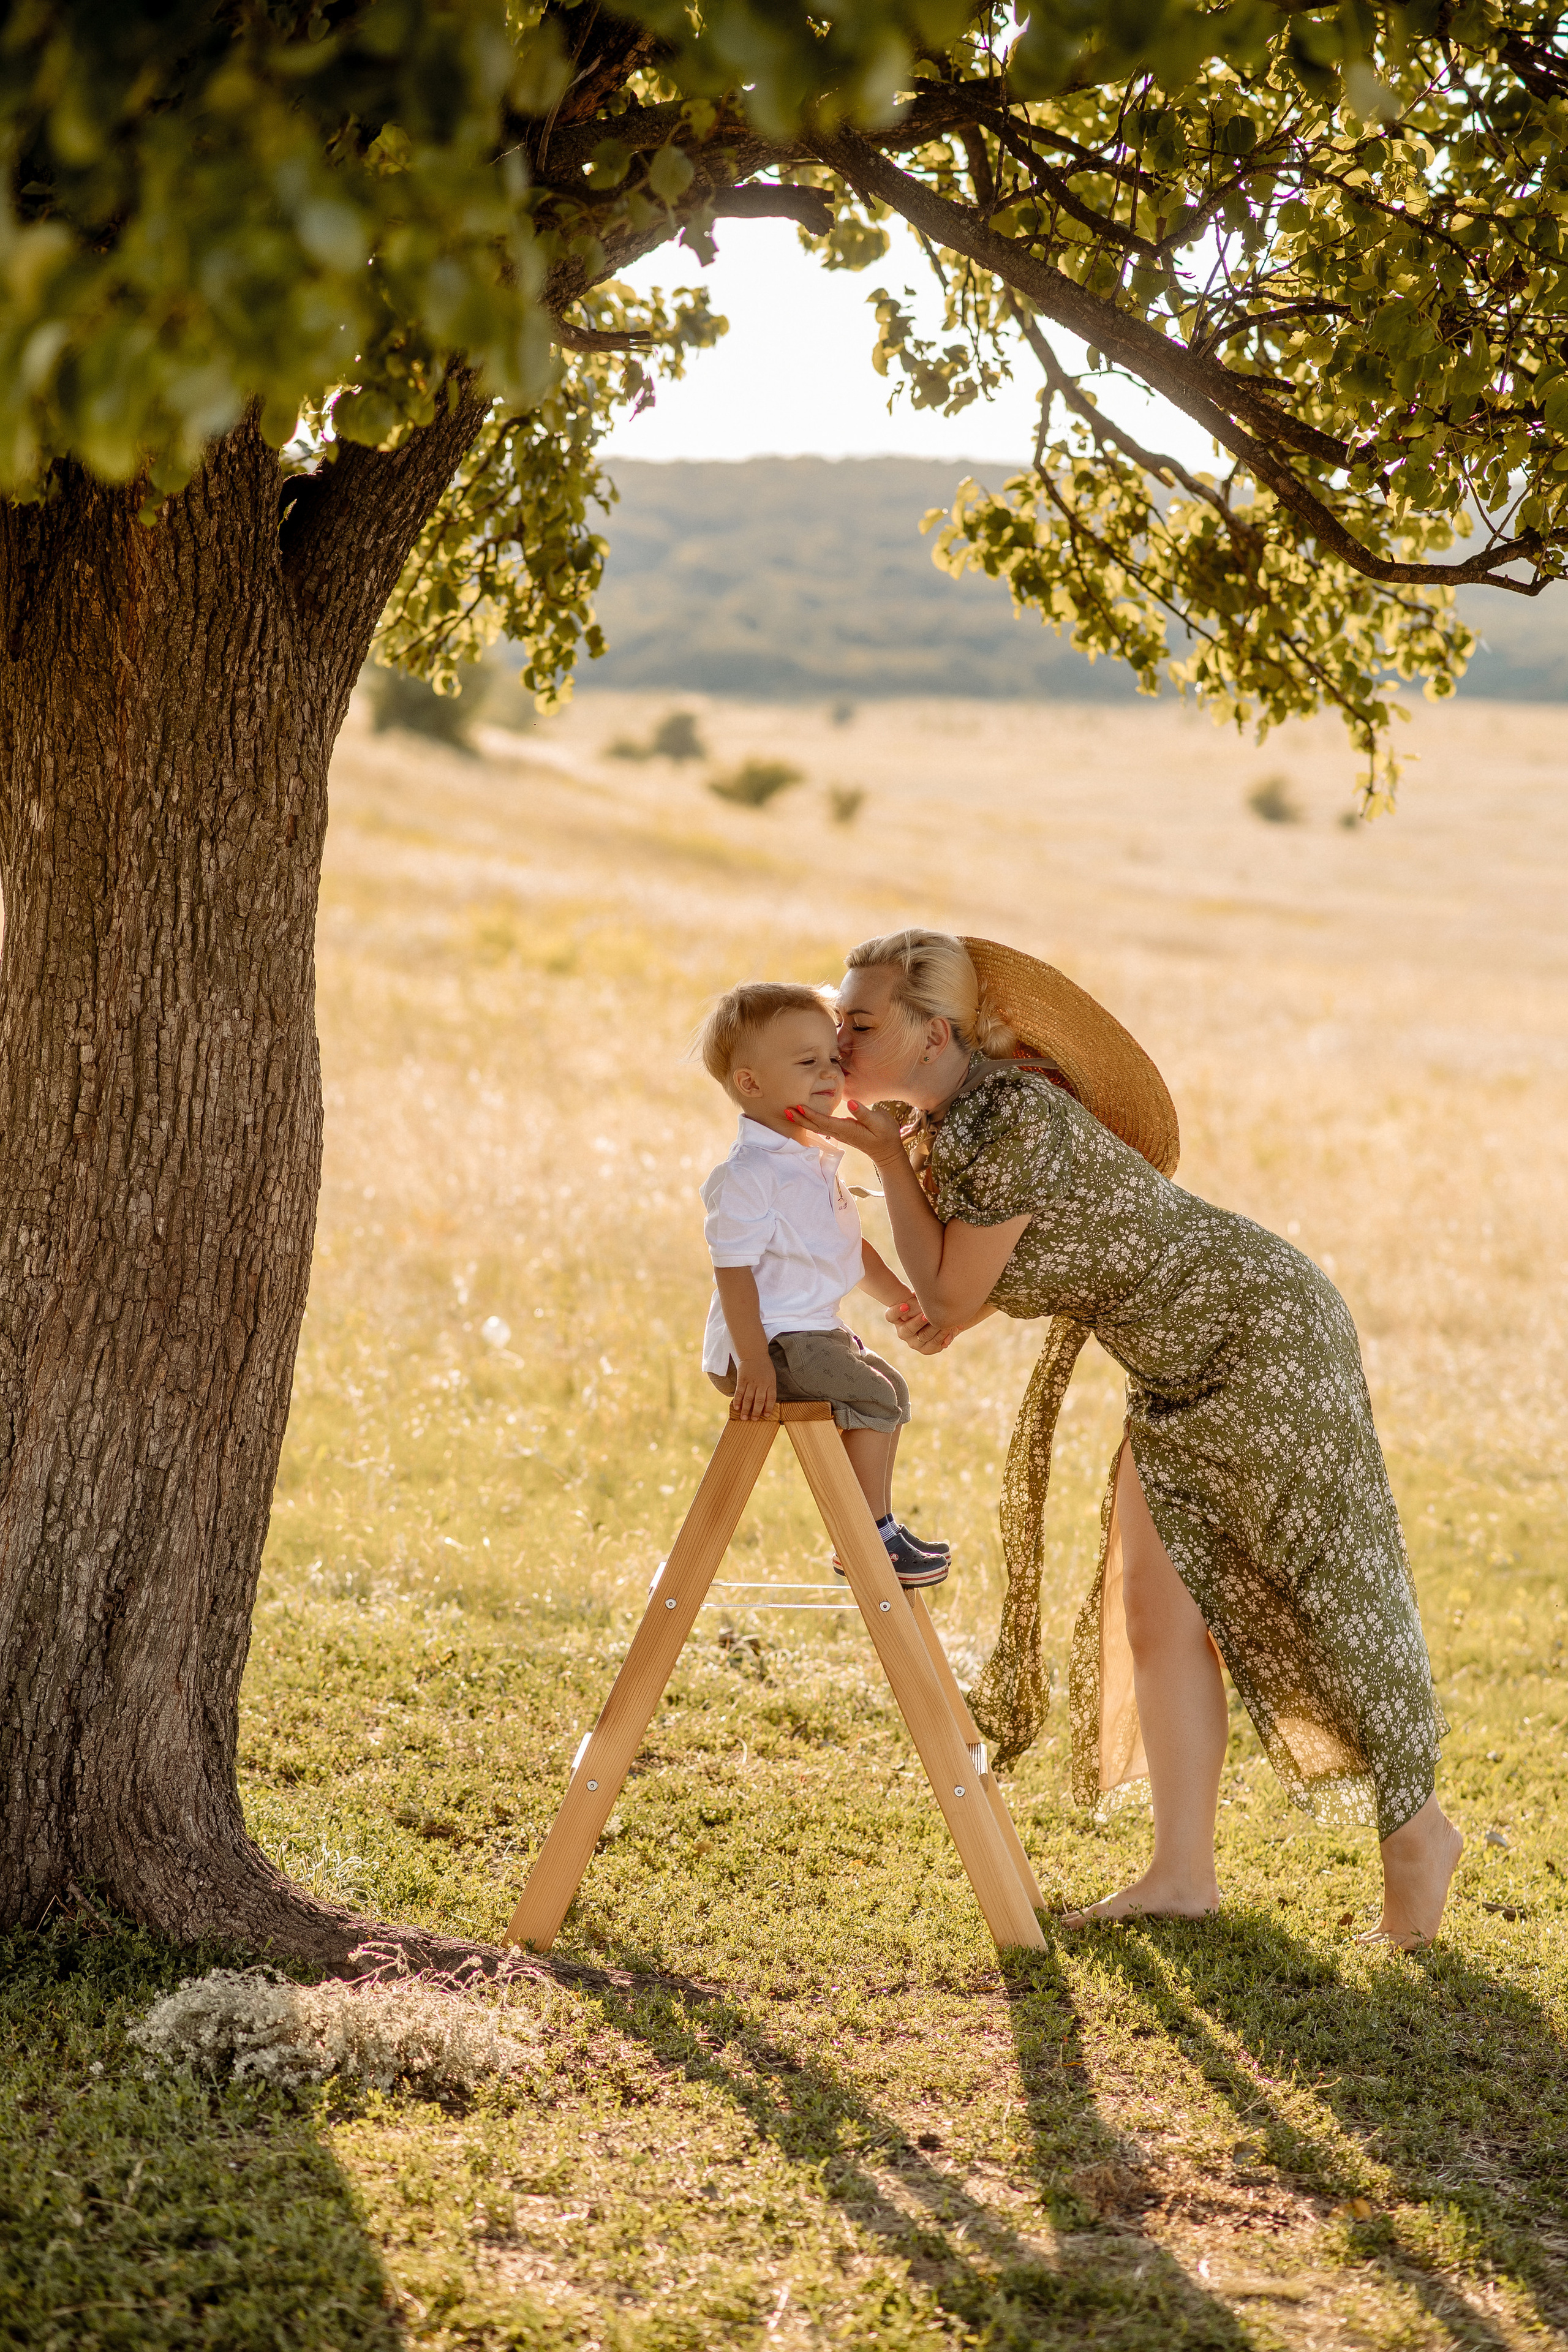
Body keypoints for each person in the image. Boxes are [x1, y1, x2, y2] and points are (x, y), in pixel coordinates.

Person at [786, 929, 1463, 1948]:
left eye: (860, 1021)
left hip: (1256, 1330)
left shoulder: (1003, 1119)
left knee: (1317, 1587)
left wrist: (885, 1166)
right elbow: (952, 1306)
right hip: (1184, 1358)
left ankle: (1418, 1834)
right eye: (836, 1019)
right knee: (1155, 1607)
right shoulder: (948, 1126)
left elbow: (951, 1290)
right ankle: (1183, 1875)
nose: (837, 1037)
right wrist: (902, 1208)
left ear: (934, 1033)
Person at [695, 980, 951, 1588]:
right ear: (751, 1084)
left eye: (832, 1059)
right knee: (874, 1395)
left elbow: (848, 1250)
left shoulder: (811, 1159)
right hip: (765, 1343)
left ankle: (875, 1527)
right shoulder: (751, 1174)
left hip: (807, 1334)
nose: (829, 1073)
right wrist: (754, 1364)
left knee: (889, 1386)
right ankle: (863, 1541)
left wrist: (902, 1300)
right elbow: (733, 1278)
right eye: (807, 1063)